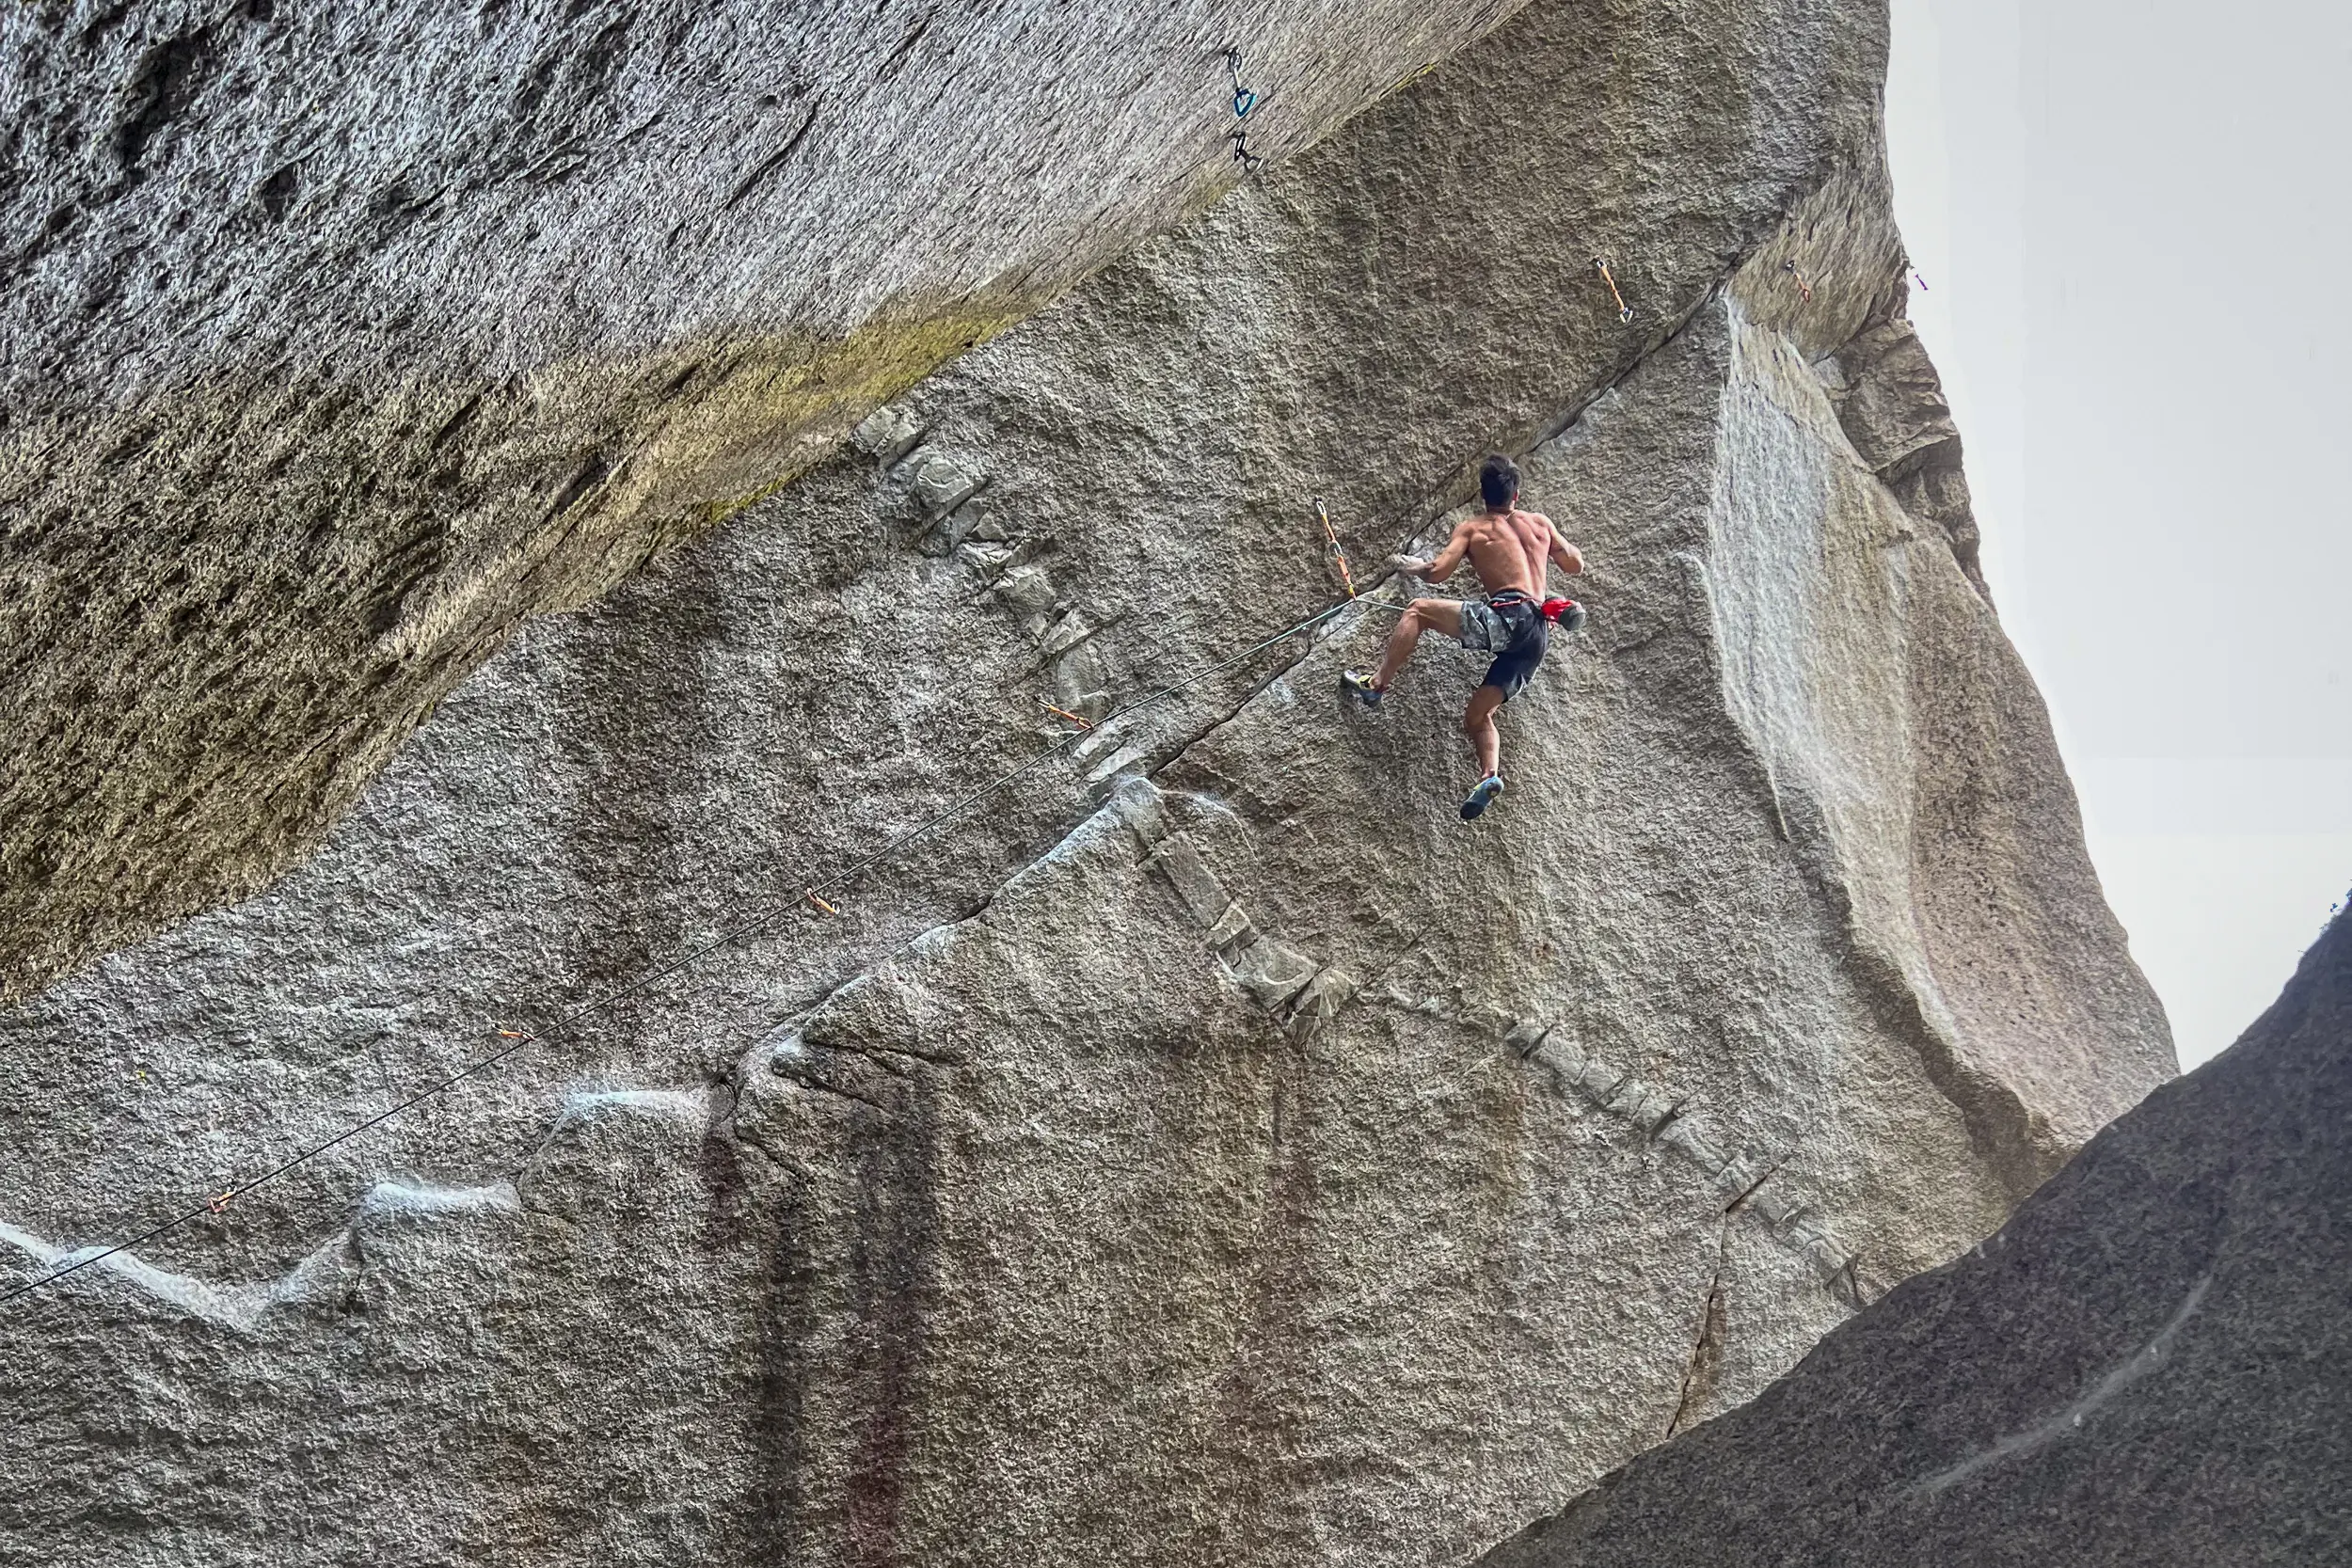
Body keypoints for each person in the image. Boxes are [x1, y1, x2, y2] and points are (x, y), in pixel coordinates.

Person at [1342, 453, 1584, 820]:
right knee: (1477, 716)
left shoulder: (1474, 529)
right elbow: (1574, 564)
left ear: (1482, 495)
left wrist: (1414, 566)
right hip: (1537, 634)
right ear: (1516, 495)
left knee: (1418, 610)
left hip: (1507, 616)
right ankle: (1489, 776)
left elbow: (1439, 572)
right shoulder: (1540, 524)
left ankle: (1376, 684)